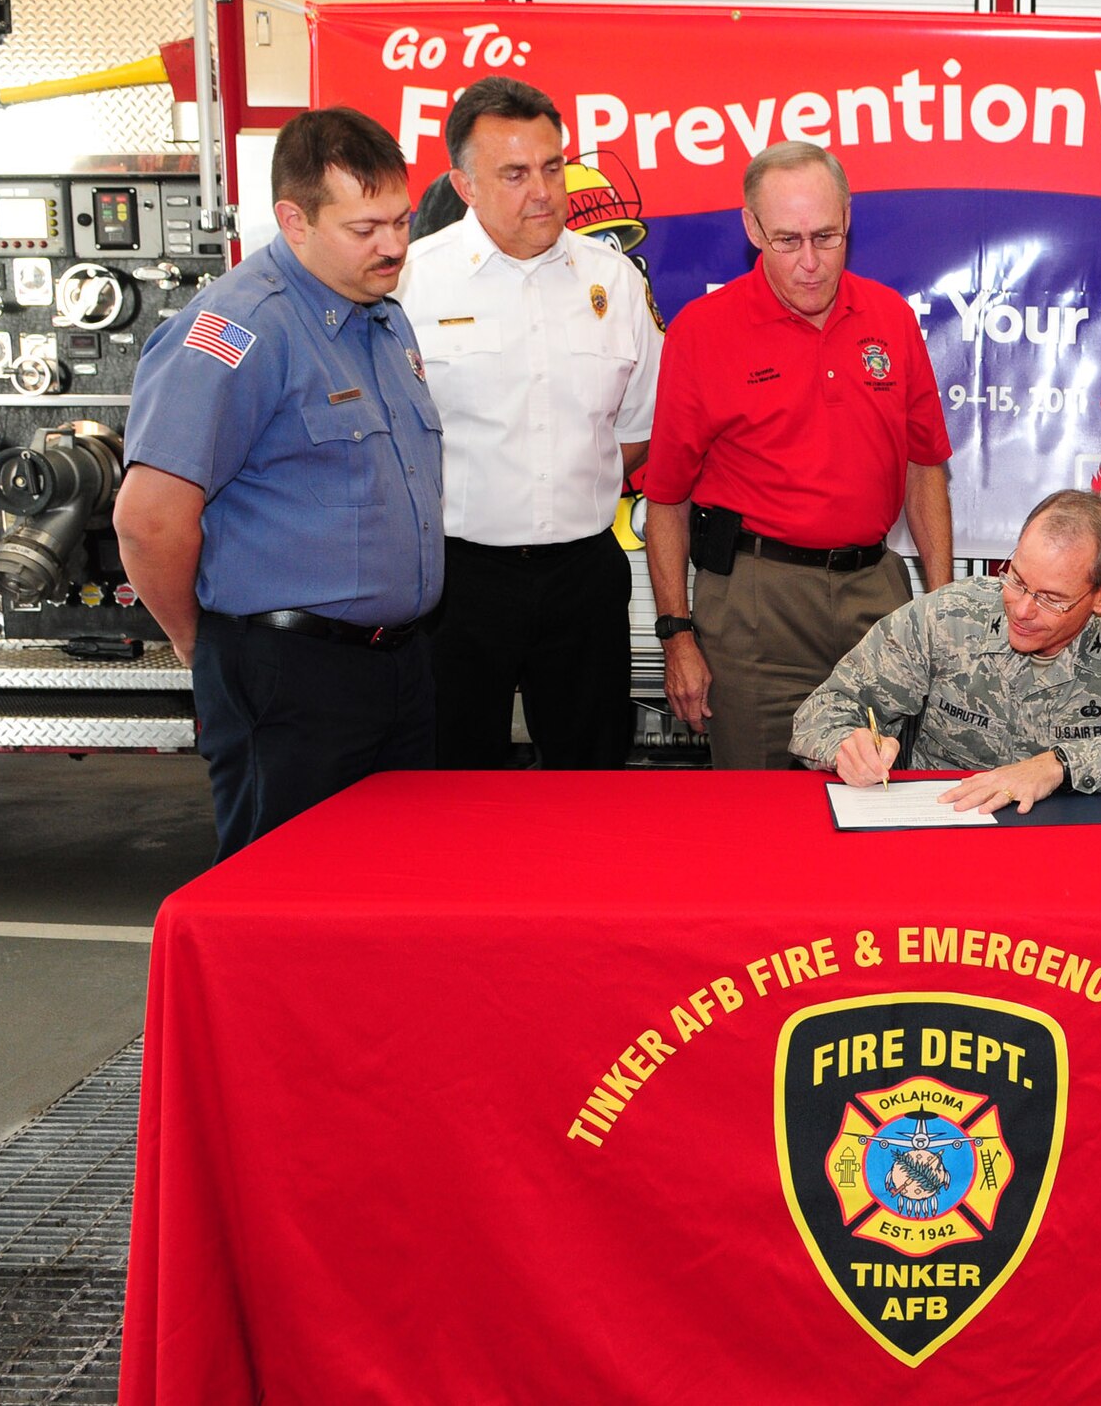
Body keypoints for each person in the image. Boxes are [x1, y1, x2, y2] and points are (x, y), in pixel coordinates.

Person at [112, 108, 443, 860]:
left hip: (398, 671)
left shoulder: (382, 319)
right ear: (293, 221)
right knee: (285, 910)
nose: (393, 245)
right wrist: (203, 647)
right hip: (289, 680)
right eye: (365, 229)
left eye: (402, 220)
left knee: (397, 896)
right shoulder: (238, 329)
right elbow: (149, 521)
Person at [642, 140, 954, 770]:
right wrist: (677, 637)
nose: (810, 262)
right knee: (758, 817)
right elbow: (667, 500)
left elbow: (925, 471)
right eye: (787, 240)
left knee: (884, 798)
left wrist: (942, 616)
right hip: (757, 611)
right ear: (752, 228)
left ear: (848, 219)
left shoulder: (890, 318)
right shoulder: (702, 332)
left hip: (876, 597)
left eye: (827, 237)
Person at [396, 77, 661, 769]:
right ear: (465, 182)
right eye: (513, 173)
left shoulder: (615, 281)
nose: (542, 191)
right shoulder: (408, 283)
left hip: (584, 577)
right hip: (456, 583)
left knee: (590, 780)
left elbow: (637, 429)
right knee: (451, 780)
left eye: (550, 166)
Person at [790, 490, 1101, 813]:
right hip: (948, 827)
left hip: (1078, 846)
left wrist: (1059, 767)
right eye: (1015, 578)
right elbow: (822, 711)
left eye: (1052, 598)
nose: (1022, 609)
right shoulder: (949, 618)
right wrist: (845, 746)